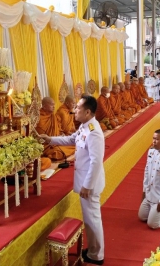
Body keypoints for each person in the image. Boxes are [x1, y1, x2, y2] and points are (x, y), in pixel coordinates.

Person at [39, 95, 105, 265]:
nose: (75, 110)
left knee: (92, 219)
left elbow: (96, 162)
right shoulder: (84, 126)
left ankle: (97, 255)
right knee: (89, 218)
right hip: (85, 181)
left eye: (78, 108)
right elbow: (71, 139)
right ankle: (93, 250)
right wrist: (49, 139)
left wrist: (87, 185)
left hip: (89, 184)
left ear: (88, 111)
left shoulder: (94, 132)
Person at [35, 97, 75, 169]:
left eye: (54, 104)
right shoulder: (40, 118)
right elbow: (39, 137)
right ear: (44, 106)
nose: (54, 107)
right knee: (57, 153)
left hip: (56, 142)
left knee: (73, 145)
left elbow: (58, 127)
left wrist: (61, 133)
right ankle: (50, 155)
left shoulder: (52, 115)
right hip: (46, 146)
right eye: (51, 105)